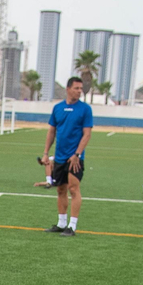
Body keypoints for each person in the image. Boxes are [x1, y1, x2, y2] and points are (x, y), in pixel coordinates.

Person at [43, 76, 93, 236]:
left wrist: (77, 154)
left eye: (81, 89)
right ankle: (61, 223)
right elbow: (51, 131)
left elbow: (87, 134)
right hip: (59, 158)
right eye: (77, 88)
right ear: (68, 89)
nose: (80, 91)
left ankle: (72, 226)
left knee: (73, 188)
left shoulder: (85, 109)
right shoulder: (57, 108)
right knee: (61, 190)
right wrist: (45, 153)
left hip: (75, 158)